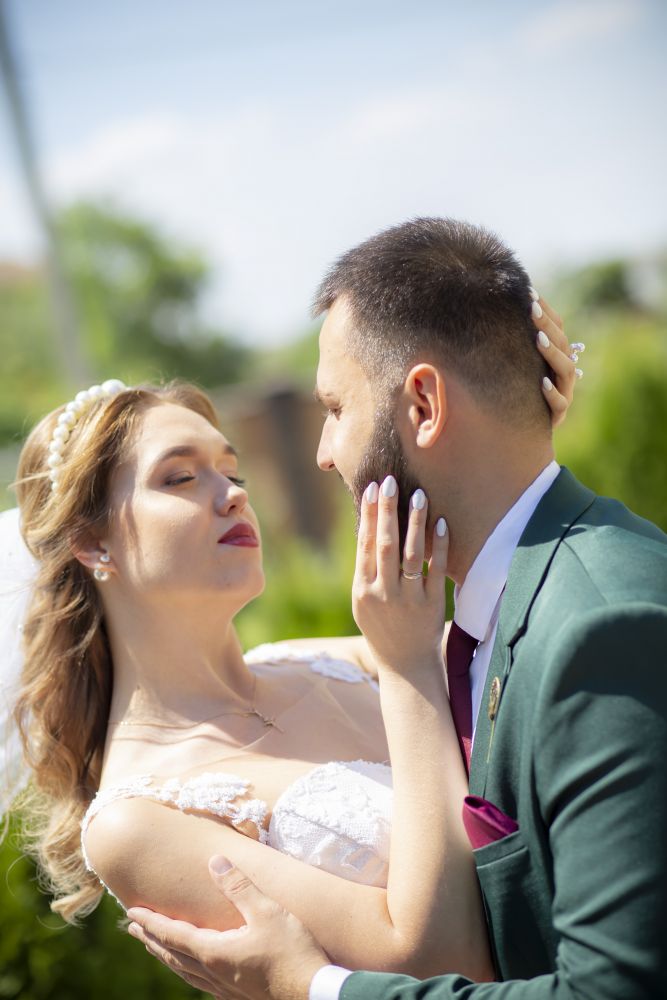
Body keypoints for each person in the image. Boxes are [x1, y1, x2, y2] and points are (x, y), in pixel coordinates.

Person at [125, 218, 667, 1000]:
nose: (323, 453)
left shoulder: (597, 631)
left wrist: (316, 986)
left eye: (335, 408)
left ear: (421, 403)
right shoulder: (491, 617)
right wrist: (509, 423)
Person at [1, 293, 570, 982]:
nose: (233, 494)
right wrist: (408, 668)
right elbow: (435, 960)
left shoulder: (323, 660)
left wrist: (512, 439)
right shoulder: (135, 822)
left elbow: (534, 644)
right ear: (91, 542)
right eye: (180, 477)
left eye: (232, 471)